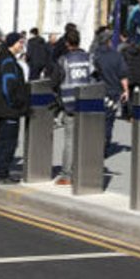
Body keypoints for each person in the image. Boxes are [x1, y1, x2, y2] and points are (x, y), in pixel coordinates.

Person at [0, 32, 29, 183]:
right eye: (20, 43)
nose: (21, 45)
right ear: (13, 43)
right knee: (8, 142)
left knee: (2, 141)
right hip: (8, 108)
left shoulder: (2, 58)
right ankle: (1, 174)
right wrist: (16, 103)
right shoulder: (8, 61)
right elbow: (9, 85)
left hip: (1, 107)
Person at [52, 31, 92, 185]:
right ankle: (85, 172)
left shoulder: (64, 60)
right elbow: (94, 77)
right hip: (87, 103)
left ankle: (67, 175)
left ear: (67, 43)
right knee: (85, 139)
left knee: (70, 140)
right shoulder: (89, 58)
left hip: (69, 104)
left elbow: (55, 80)